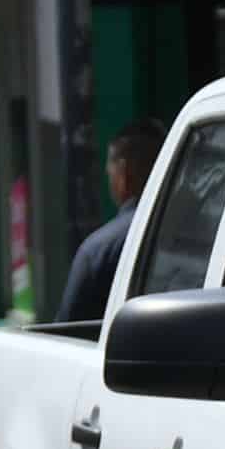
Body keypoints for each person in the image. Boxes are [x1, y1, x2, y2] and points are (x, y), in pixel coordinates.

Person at [56, 123, 165, 326]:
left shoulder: (97, 251)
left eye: (110, 173)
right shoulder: (207, 235)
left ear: (123, 173)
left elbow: (67, 334)